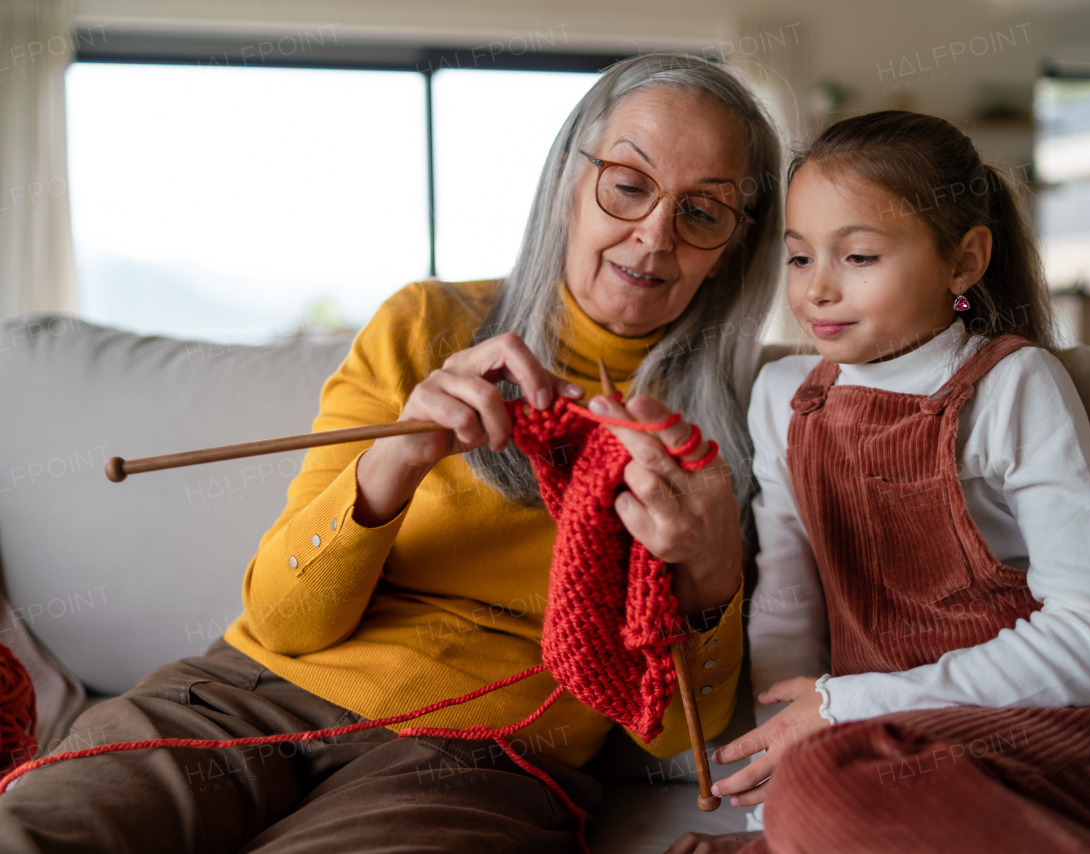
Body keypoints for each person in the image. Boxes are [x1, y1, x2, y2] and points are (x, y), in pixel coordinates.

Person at [0, 52, 784, 853]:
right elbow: (282, 620)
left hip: (482, 762)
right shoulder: (425, 324)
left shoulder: (736, 417)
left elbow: (669, 735)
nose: (655, 234)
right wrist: (396, 459)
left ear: (735, 243)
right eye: (628, 184)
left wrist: (713, 567)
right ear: (567, 181)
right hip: (246, 698)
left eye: (704, 212)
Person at [666, 111, 1090, 854]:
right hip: (879, 749)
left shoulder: (1012, 385)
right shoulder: (782, 395)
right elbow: (786, 617)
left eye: (858, 257)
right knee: (814, 793)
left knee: (833, 786)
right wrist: (775, 796)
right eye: (799, 257)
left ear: (964, 261)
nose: (816, 290)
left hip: (1059, 745)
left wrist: (844, 709)